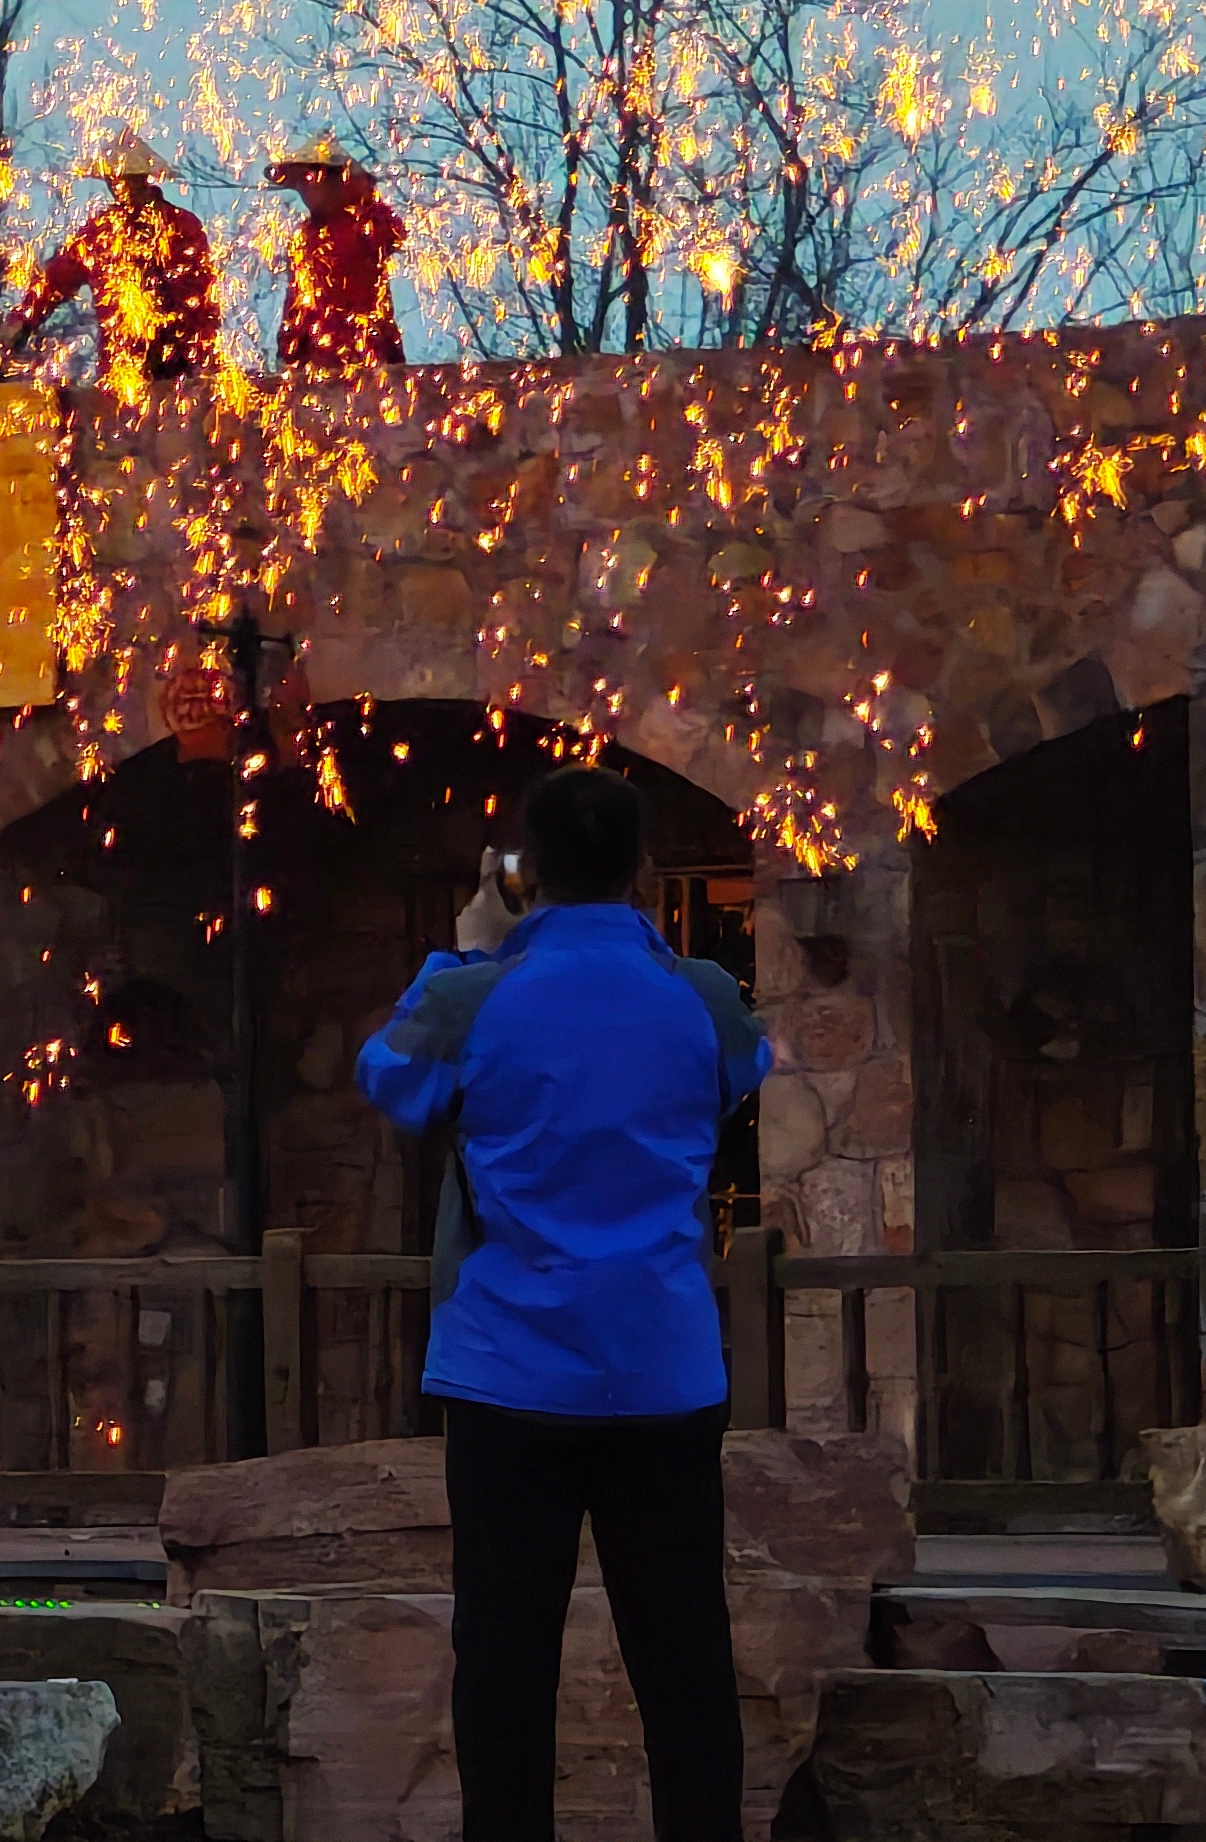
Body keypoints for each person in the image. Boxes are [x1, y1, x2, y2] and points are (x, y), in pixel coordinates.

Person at [355, 770, 774, 1842]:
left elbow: (388, 1081)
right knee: (685, 1656)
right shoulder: (703, 994)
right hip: (662, 1368)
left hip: (509, 1371)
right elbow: (739, 1072)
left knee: (504, 1657)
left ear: (524, 871)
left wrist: (471, 948)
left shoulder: (471, 994)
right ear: (642, 869)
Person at [3, 123, 220, 382]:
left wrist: (202, 356)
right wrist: (23, 319)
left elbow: (199, 299)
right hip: (120, 367)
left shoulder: (181, 227)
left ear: (143, 179)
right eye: (113, 180)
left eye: (126, 179)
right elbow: (55, 280)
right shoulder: (99, 233)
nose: (118, 186)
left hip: (178, 366)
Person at [267, 134, 408, 374]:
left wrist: (358, 191)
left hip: (366, 355)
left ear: (335, 181)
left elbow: (393, 233)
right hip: (315, 360)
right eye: (299, 183)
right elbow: (296, 304)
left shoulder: (365, 222)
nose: (304, 192)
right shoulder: (304, 237)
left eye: (308, 181)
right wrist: (288, 353)